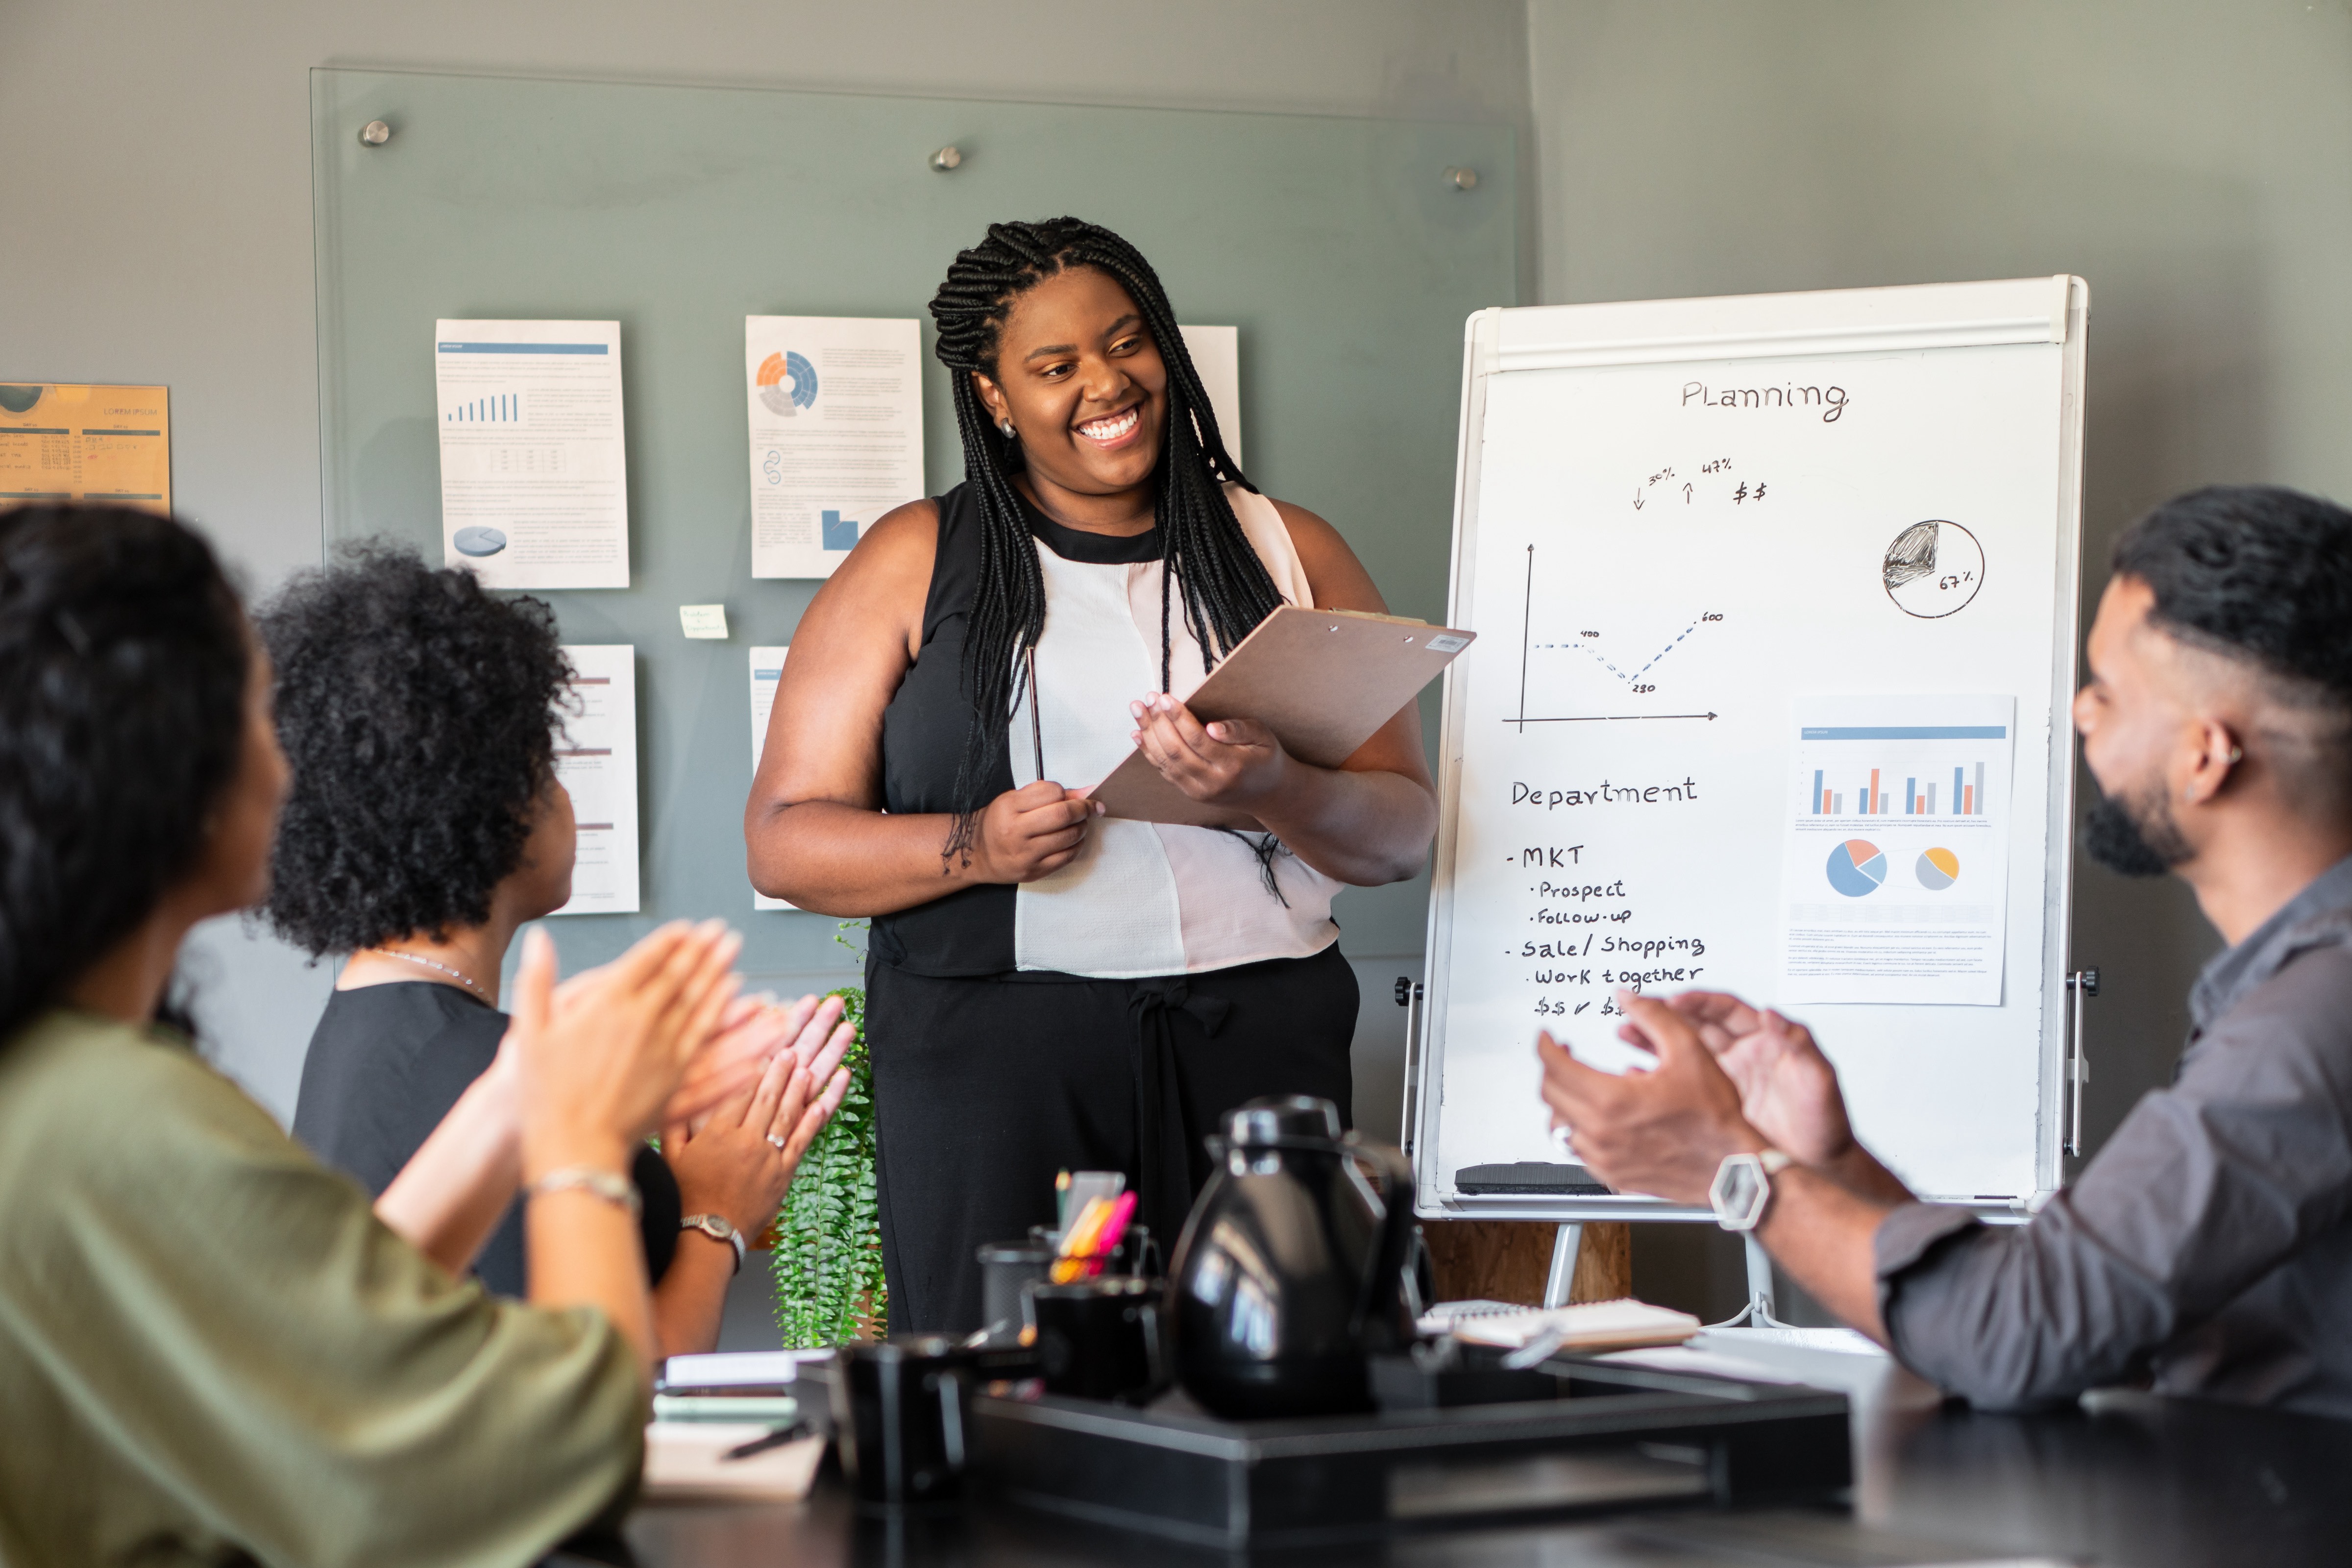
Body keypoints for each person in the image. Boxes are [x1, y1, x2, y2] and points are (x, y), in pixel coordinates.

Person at [0, 503, 777, 1562]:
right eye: (257, 715)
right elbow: (563, 1455)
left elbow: (304, 1344)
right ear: (170, 761)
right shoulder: (115, 1119)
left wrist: (527, 1093)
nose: (290, 768)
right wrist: (584, 1151)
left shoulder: (62, 1085)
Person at [747, 217, 1439, 1330]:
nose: (1106, 383)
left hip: (1258, 1060)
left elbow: (1402, 836)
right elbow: (784, 838)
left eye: (1128, 343)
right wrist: (975, 845)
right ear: (992, 396)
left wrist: (1272, 787)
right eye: (1054, 366)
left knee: (1275, 1376)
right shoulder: (913, 558)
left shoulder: (1287, 547)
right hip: (1001, 1076)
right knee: (1017, 1407)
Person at [1540, 484, 2352, 1418]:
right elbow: (2090, 1313)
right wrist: (1824, 1164)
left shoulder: (2315, 1017)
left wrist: (1737, 1170)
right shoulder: (2292, 992)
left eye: (2108, 692)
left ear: (2206, 758)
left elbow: (2020, 1335)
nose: (2082, 715)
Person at [262, 545, 852, 1356]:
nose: (567, 798)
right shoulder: (495, 1078)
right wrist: (716, 1217)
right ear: (500, 802)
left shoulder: (366, 1034)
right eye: (551, 765)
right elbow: (598, 1398)